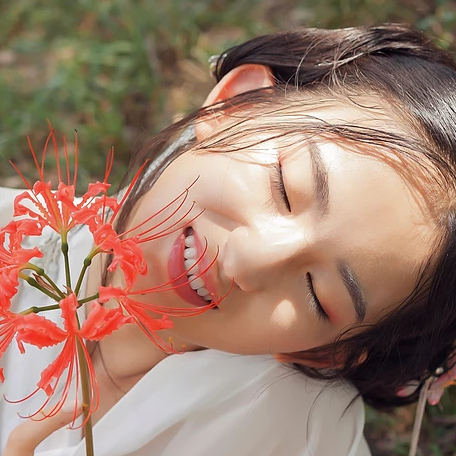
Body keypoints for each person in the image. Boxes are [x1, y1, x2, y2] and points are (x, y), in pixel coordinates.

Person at [1, 22, 456, 456]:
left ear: (324, 352)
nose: (249, 259)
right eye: (284, 188)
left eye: (319, 295)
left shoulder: (299, 433)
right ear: (241, 103)